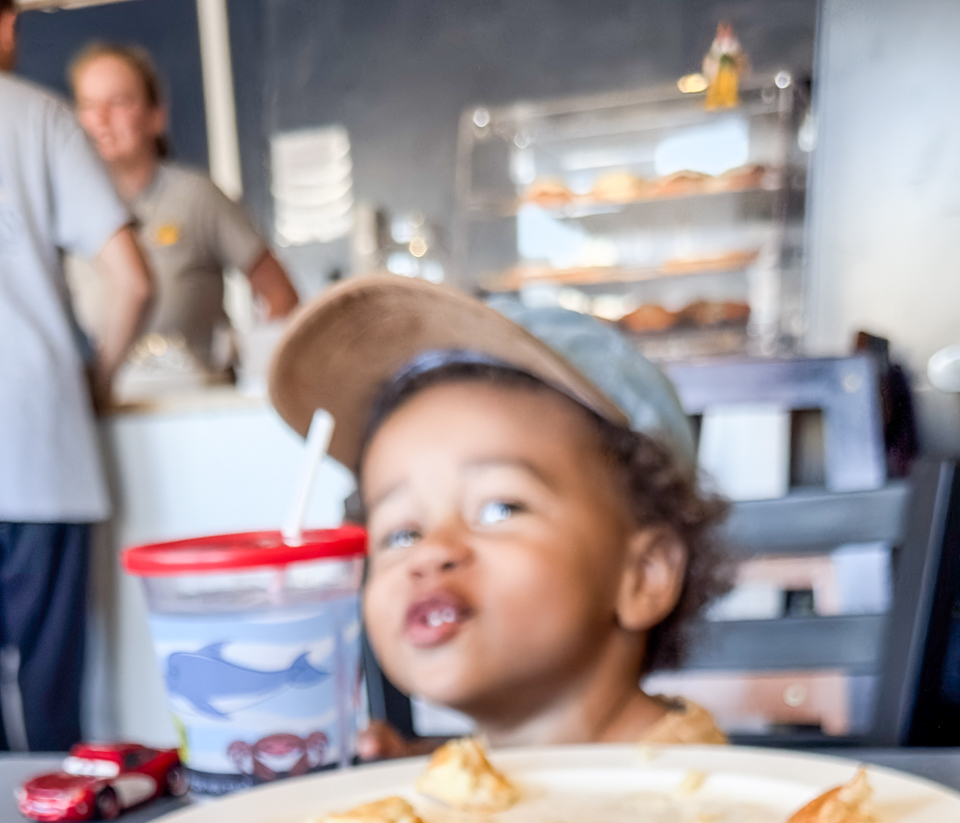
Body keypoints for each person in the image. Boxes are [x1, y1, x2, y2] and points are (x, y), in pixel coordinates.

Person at [268, 276, 728, 754]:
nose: (432, 552)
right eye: (401, 534)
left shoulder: (692, 799)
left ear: (643, 575)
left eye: (498, 508)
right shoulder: (466, 785)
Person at [0, 0, 152, 751]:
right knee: (52, 701)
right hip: (35, 438)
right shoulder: (40, 117)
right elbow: (132, 280)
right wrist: (93, 380)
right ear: (6, 25)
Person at [71, 42, 298, 379]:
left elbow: (281, 296)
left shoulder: (196, 197)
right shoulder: (69, 212)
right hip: (111, 410)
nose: (101, 119)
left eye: (119, 102)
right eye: (89, 105)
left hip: (195, 408)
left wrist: (258, 375)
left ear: (156, 116)